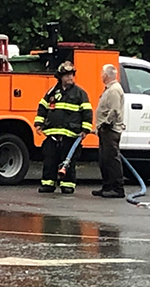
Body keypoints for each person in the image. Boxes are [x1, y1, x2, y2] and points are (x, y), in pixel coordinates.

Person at [35, 61, 93, 194]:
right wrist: (39, 123)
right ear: (60, 77)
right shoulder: (52, 92)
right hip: (52, 134)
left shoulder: (80, 93)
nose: (70, 78)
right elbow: (42, 108)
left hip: (70, 135)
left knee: (68, 161)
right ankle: (48, 184)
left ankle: (68, 185)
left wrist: (85, 130)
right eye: (67, 76)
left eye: (72, 75)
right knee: (50, 160)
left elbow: (87, 112)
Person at [93, 63, 125, 198]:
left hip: (110, 130)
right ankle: (107, 186)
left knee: (111, 159)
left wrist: (105, 124)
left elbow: (114, 111)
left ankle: (117, 188)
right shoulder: (109, 89)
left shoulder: (114, 90)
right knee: (104, 159)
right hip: (105, 130)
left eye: (102, 73)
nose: (101, 75)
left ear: (106, 75)